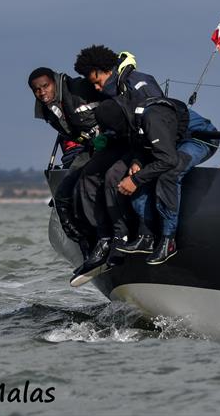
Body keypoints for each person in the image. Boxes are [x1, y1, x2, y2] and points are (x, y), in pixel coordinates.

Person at [68, 45, 167, 283]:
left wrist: (138, 160)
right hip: (127, 144)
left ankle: (122, 239)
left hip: (150, 146)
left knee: (114, 176)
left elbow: (158, 121)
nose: (96, 87)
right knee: (89, 175)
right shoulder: (113, 88)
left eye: (96, 80)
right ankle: (103, 239)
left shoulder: (140, 83)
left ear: (105, 69)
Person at [95, 94, 217, 266]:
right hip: (171, 144)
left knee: (169, 174)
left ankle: (169, 241)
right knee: (140, 174)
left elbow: (169, 160)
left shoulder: (152, 118)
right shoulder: (130, 115)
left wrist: (135, 180)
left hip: (199, 138)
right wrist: (137, 162)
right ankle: (147, 237)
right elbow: (139, 143)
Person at [29, 67, 102, 258]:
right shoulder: (48, 109)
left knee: (90, 188)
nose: (42, 92)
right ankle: (87, 248)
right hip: (89, 149)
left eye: (45, 86)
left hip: (110, 145)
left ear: (54, 82)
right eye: (37, 89)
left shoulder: (77, 89)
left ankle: (108, 240)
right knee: (62, 197)